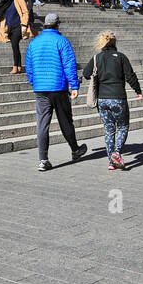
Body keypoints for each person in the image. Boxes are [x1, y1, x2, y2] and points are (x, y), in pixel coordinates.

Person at [24, 12, 86, 171]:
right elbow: (69, 65)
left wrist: (34, 82)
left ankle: (43, 159)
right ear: (58, 25)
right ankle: (75, 150)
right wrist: (74, 86)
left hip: (40, 89)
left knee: (42, 124)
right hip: (58, 87)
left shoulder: (34, 43)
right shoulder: (62, 41)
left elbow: (29, 67)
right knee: (65, 120)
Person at [81, 31, 143, 170]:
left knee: (109, 130)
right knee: (123, 126)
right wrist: (138, 91)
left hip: (102, 100)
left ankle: (111, 162)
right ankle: (116, 153)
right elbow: (130, 76)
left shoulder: (97, 57)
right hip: (118, 98)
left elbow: (85, 74)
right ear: (115, 43)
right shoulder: (121, 57)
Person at [0, 0, 34, 74]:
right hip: (9, 27)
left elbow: (25, 11)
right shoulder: (5, 2)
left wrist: (24, 25)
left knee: (14, 44)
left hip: (18, 26)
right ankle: (19, 67)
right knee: (15, 46)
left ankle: (15, 66)